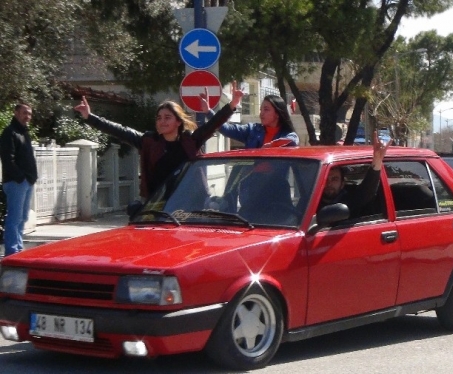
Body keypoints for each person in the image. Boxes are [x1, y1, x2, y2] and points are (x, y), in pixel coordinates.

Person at [74, 82, 244, 199]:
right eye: (159, 118)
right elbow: (120, 130)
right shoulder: (148, 141)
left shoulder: (190, 140)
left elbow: (213, 124)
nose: (162, 121)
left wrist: (233, 104)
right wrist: (90, 117)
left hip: (189, 202)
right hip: (156, 204)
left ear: (178, 121)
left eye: (167, 117)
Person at [318, 131, 388, 217]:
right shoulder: (311, 202)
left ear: (342, 184)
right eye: (326, 179)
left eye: (334, 179)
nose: (329, 183)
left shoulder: (349, 201)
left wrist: (377, 161)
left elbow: (367, 191)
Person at [0, 103, 38, 256]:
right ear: (16, 113)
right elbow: (8, 159)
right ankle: (12, 251)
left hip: (27, 182)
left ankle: (18, 248)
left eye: (29, 113)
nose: (27, 116)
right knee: (14, 218)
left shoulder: (24, 133)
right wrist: (20, 178)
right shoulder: (10, 132)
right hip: (16, 182)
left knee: (23, 217)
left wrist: (31, 178)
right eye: (24, 113)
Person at [218, 95, 299, 148]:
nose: (261, 113)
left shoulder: (287, 135)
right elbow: (225, 128)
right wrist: (231, 105)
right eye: (261, 110)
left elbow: (292, 140)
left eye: (266, 109)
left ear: (277, 114)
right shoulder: (252, 130)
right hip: (251, 174)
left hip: (277, 175)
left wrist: (271, 145)